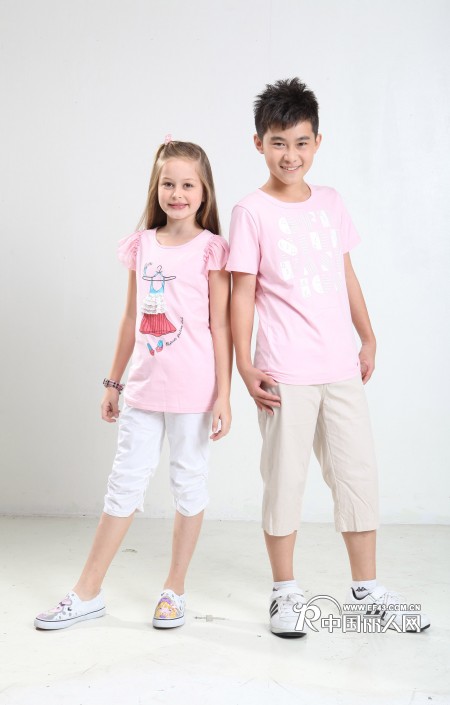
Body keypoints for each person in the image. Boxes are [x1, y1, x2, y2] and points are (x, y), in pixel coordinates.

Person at [226, 78, 430, 637]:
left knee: (356, 476)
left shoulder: (331, 202)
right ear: (258, 144)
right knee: (284, 482)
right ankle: (285, 593)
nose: (290, 155)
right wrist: (244, 364)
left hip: (340, 366)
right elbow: (242, 293)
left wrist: (368, 337)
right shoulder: (250, 212)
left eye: (300, 142)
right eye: (278, 143)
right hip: (284, 372)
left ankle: (366, 591)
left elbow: (346, 274)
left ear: (318, 141)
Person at [35, 138, 232, 630]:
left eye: (188, 185)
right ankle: (87, 592)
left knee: (189, 483)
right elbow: (130, 318)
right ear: (156, 188)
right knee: (123, 484)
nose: (177, 194)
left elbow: (222, 326)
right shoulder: (141, 244)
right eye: (169, 184)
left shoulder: (211, 250)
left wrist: (225, 395)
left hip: (194, 392)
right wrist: (113, 382)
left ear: (204, 192)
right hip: (143, 389)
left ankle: (174, 589)